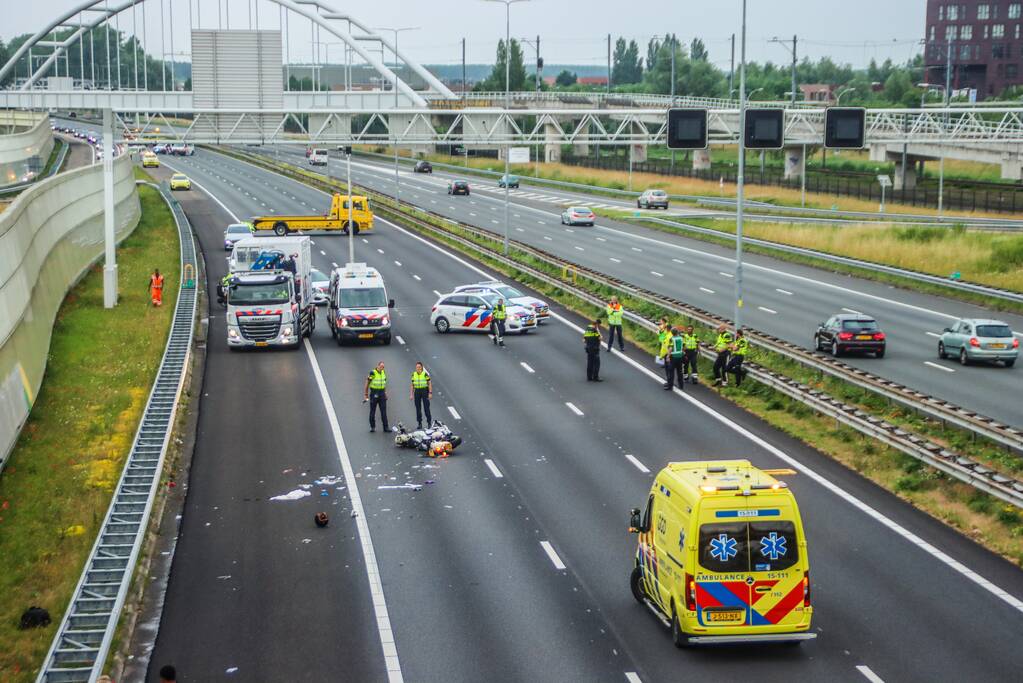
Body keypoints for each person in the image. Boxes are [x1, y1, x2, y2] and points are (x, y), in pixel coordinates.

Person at [363, 361, 389, 432]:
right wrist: (366, 394)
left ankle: (385, 427)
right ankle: (372, 427)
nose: (382, 368)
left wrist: (385, 393)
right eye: (381, 366)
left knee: (383, 411)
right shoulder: (373, 373)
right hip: (374, 393)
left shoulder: (383, 372)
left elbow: (384, 383)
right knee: (372, 411)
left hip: (382, 393)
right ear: (378, 366)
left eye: (383, 367)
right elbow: (367, 383)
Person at [410, 362, 433, 429]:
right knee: (418, 408)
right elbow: (412, 385)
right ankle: (419, 423)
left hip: (424, 391)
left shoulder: (425, 374)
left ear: (421, 367)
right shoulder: (413, 374)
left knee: (426, 408)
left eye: (419, 367)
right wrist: (411, 394)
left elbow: (429, 383)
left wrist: (430, 393)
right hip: (417, 391)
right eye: (417, 367)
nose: (418, 368)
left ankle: (429, 422)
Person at [665, 326, 686, 391]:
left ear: (672, 333)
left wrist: (668, 356)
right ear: (677, 332)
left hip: (673, 357)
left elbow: (671, 348)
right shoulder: (681, 338)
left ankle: (670, 386)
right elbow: (684, 347)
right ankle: (681, 385)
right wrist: (682, 352)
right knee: (679, 372)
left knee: (671, 372)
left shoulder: (672, 339)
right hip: (680, 356)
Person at [657, 319, 673, 387]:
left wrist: (661, 356)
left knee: (668, 369)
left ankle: (669, 383)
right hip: (669, 354)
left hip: (668, 354)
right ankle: (669, 382)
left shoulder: (666, 335)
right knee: (669, 369)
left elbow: (661, 342)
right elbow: (661, 341)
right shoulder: (671, 334)